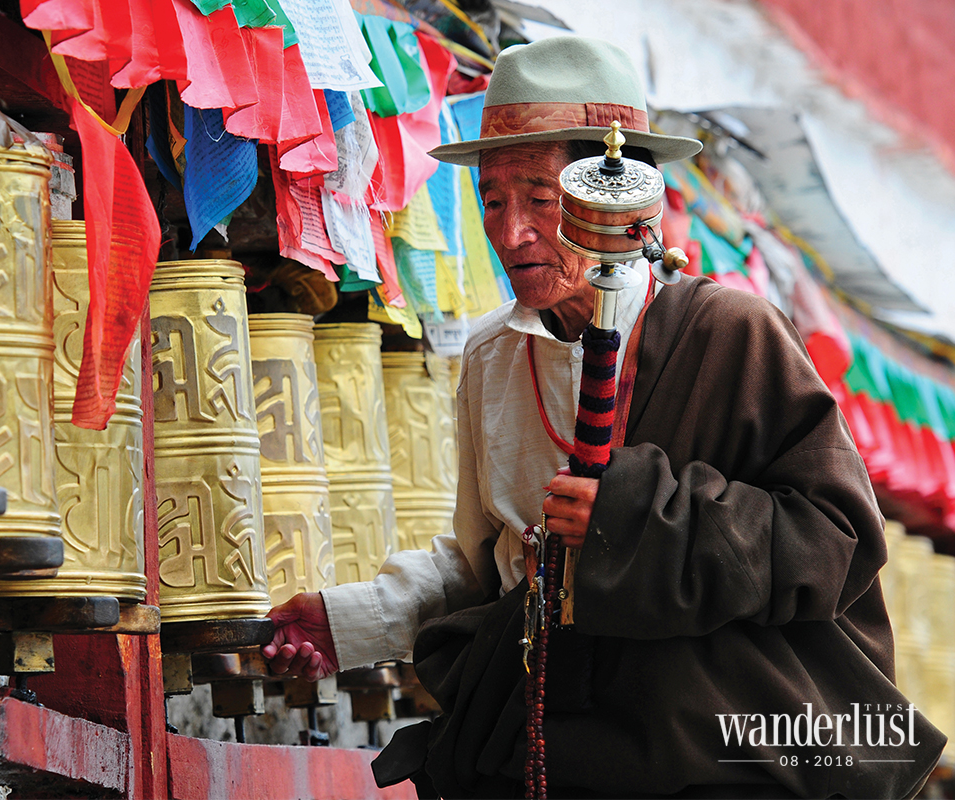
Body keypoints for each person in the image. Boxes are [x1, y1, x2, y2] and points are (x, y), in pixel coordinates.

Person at [262, 35, 946, 798]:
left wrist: (633, 519)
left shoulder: (729, 333)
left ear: (618, 196)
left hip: (721, 755)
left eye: (540, 199)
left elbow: (838, 539)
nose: (510, 230)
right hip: (562, 752)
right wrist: (347, 621)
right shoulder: (493, 355)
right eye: (492, 199)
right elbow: (492, 563)